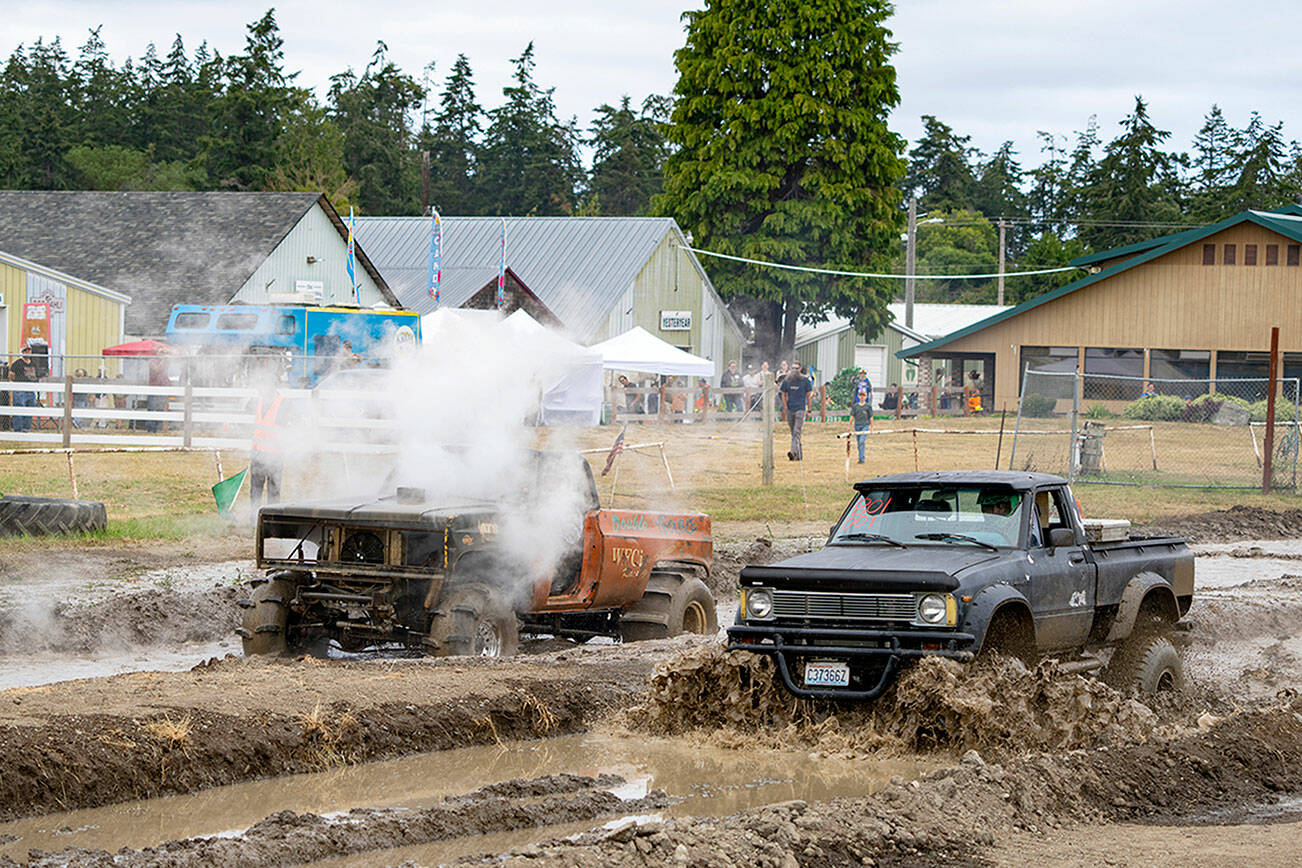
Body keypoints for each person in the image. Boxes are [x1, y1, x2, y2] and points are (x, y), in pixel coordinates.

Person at [250, 382, 287, 512]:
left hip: (275, 455)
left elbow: (291, 429)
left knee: (274, 490)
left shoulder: (284, 404)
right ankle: (254, 518)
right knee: (255, 490)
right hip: (258, 453)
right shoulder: (259, 402)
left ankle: (272, 519)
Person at [779, 365, 814, 461]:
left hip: (800, 409)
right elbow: (783, 394)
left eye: (796, 368)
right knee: (794, 433)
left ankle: (793, 452)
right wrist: (785, 407)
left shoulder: (805, 381)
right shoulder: (787, 380)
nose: (794, 370)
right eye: (793, 368)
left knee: (796, 431)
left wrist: (809, 410)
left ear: (800, 369)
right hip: (790, 409)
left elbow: (809, 396)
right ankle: (799, 455)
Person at [9, 347, 37, 433]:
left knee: (30, 409)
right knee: (19, 408)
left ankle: (26, 429)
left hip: (31, 389)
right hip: (20, 389)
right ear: (22, 352)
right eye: (26, 350)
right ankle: (17, 429)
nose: (28, 352)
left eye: (29, 350)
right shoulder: (17, 363)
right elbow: (11, 375)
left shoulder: (33, 364)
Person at [145, 349, 171, 433]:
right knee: (152, 409)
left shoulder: (166, 362)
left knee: (161, 409)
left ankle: (158, 429)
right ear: (157, 353)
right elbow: (157, 370)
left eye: (164, 352)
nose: (163, 354)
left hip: (163, 388)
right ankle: (151, 430)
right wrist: (164, 359)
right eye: (161, 352)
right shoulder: (152, 361)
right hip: (153, 388)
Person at [851, 383, 872, 464]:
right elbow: (852, 416)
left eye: (863, 395)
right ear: (858, 396)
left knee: (862, 441)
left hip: (865, 425)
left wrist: (871, 427)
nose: (862, 397)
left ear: (866, 396)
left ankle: (862, 458)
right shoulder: (855, 406)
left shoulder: (868, 406)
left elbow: (871, 417)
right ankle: (860, 458)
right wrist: (849, 425)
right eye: (860, 395)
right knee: (859, 441)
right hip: (857, 425)